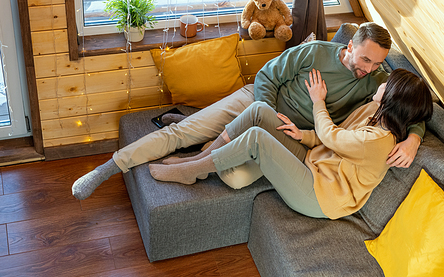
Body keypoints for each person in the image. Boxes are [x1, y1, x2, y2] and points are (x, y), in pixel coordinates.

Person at [72, 22, 424, 200]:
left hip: (290, 134)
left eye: (377, 63)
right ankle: (108, 167)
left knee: (233, 174)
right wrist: (263, 111)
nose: (369, 68)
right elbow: (269, 75)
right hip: (256, 100)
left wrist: (413, 139)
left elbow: (416, 104)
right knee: (179, 135)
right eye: (365, 59)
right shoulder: (315, 52)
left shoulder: (376, 79)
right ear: (350, 45)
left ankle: (202, 132)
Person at [148, 68, 434, 219]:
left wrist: (318, 102)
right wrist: (303, 135)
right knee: (260, 111)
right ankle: (197, 161)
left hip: (321, 197)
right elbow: (331, 139)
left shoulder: (379, 141)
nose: (381, 83)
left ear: (392, 97)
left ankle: (193, 170)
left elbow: (333, 135)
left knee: (257, 139)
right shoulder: (375, 112)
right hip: (314, 162)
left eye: (388, 83)